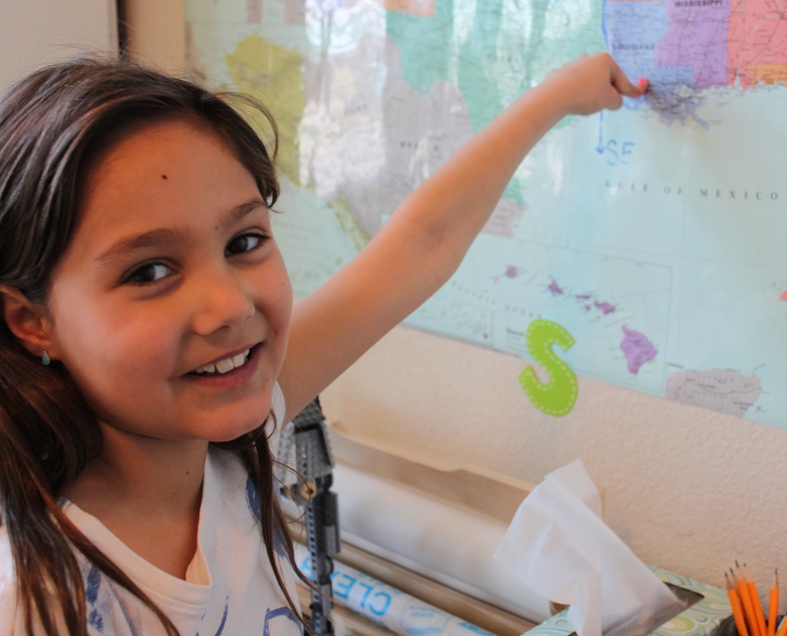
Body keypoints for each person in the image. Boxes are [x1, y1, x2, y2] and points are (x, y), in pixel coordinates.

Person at [0, 52, 646, 635]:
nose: (230, 306)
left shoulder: (221, 433)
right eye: (149, 272)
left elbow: (424, 241)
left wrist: (558, 93)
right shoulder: (35, 597)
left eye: (244, 241)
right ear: (31, 320)